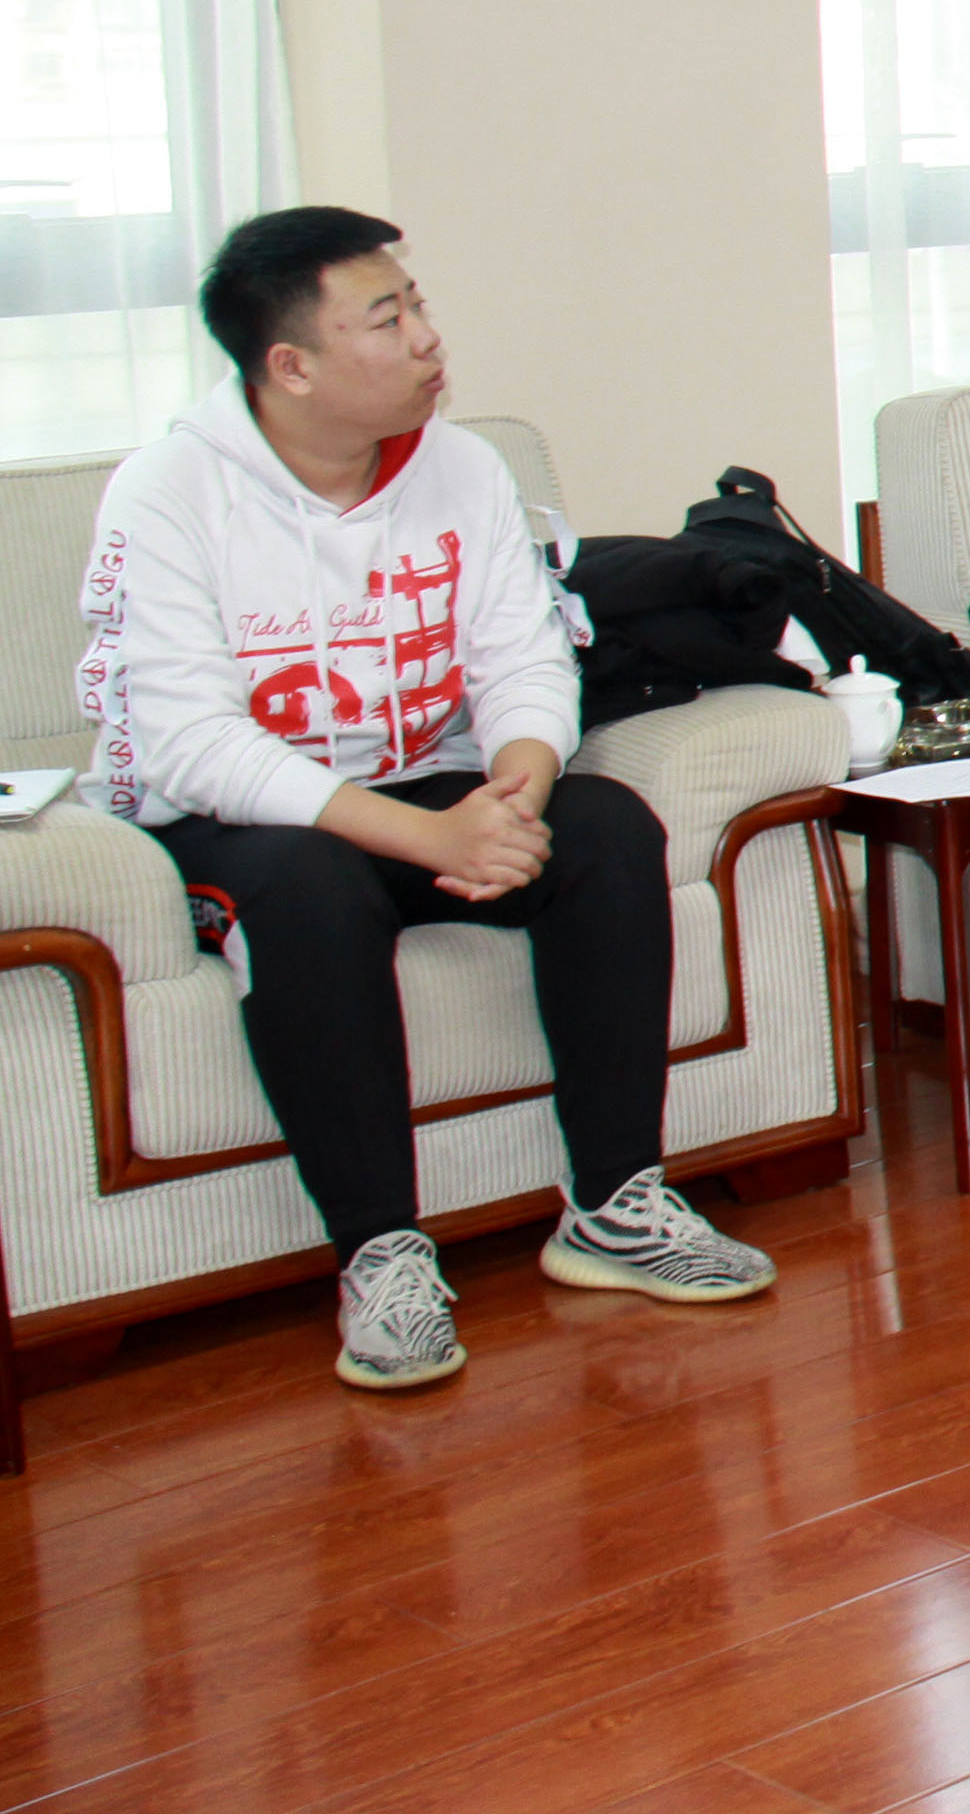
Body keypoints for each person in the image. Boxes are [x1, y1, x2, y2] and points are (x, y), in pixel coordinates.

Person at [78, 208, 777, 1393]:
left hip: (426, 782)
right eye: (386, 317)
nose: (426, 338)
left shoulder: (460, 464)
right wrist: (431, 832)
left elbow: (525, 656)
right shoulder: (169, 491)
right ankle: (382, 1255)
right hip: (238, 818)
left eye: (417, 306)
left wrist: (518, 787)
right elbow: (192, 743)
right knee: (308, 887)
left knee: (606, 826)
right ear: (290, 364)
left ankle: (614, 1205)